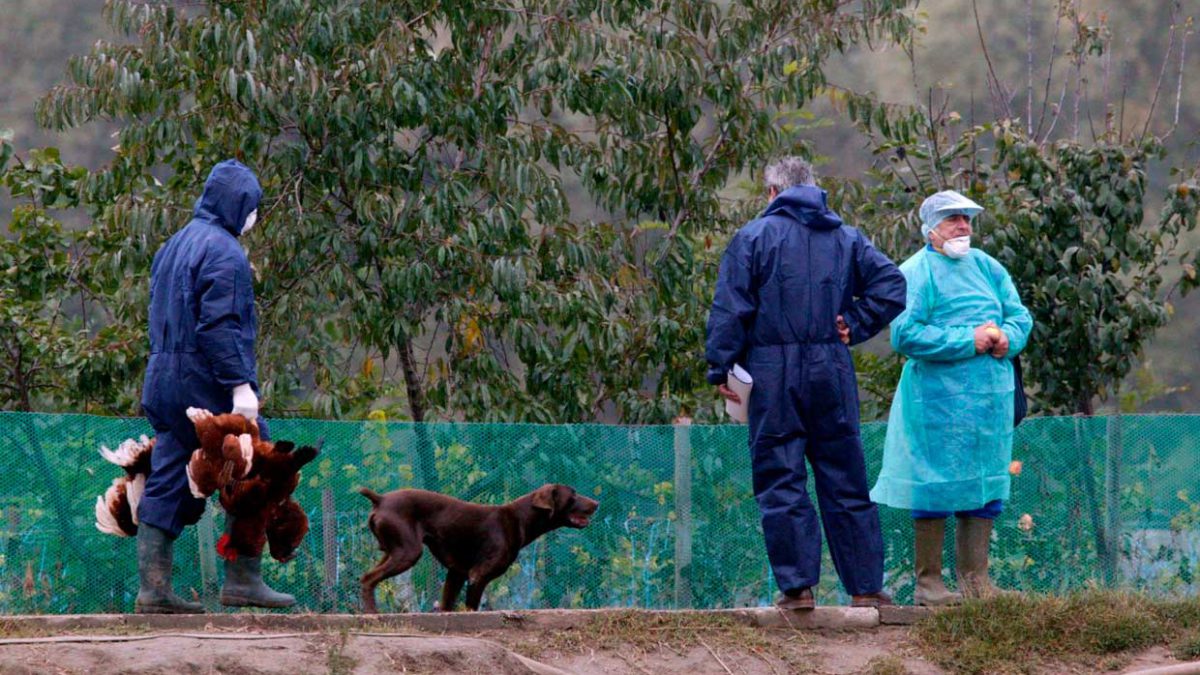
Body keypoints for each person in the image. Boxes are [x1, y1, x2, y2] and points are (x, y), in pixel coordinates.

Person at [705, 157, 907, 609]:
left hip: (771, 373)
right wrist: (853, 323)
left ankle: (798, 591)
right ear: (814, 189)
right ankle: (867, 588)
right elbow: (892, 285)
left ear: (772, 193)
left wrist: (721, 367)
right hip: (831, 372)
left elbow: (730, 310)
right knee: (846, 478)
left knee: (782, 479)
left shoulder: (753, 237)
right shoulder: (846, 237)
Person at [137, 159, 294, 613]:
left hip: (162, 377)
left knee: (167, 469)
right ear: (239, 203)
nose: (254, 217)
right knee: (258, 465)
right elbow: (220, 325)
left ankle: (153, 590)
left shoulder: (172, 246)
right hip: (205, 380)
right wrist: (241, 387)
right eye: (254, 206)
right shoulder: (224, 252)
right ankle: (244, 578)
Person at [870, 190, 1033, 605]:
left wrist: (1007, 339)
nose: (963, 226)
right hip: (937, 403)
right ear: (930, 229)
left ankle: (976, 583)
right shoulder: (916, 271)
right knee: (935, 486)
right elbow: (905, 334)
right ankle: (929, 585)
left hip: (990, 404)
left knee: (986, 483)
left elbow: (1019, 316)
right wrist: (968, 339)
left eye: (966, 218)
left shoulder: (987, 267)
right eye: (952, 219)